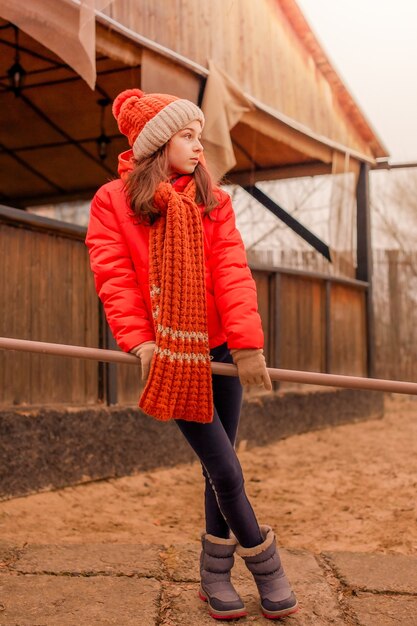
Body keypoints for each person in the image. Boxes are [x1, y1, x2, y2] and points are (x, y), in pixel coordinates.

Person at [86, 88, 298, 621]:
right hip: (174, 353)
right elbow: (115, 277)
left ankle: (214, 577)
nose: (198, 145)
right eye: (187, 135)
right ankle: (266, 565)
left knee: (217, 466)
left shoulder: (214, 201)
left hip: (222, 348)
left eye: (199, 136)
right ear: (159, 143)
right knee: (225, 468)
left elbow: (231, 271)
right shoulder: (113, 201)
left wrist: (248, 344)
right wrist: (141, 341)